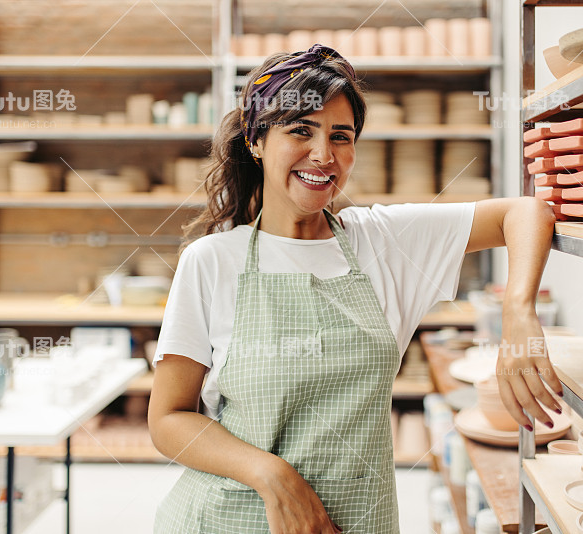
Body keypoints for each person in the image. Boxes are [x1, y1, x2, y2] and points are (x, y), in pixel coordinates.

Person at [148, 44, 561, 534]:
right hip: (225, 518)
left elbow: (526, 212)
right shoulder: (211, 262)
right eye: (301, 130)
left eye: (340, 136)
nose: (323, 155)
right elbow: (168, 418)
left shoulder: (384, 243)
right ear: (256, 141)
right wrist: (273, 475)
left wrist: (518, 310)